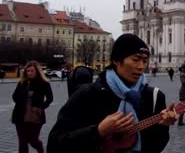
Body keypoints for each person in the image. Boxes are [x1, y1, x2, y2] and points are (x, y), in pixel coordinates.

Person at [47, 34, 176, 153]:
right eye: (136, 59)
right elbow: (55, 144)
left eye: (144, 60)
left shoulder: (154, 97)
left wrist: (162, 126)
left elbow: (155, 148)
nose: (141, 66)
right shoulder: (87, 94)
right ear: (116, 60)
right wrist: (98, 131)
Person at [12, 61, 53, 153]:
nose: (29, 73)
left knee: (32, 140)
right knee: (22, 142)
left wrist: (41, 108)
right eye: (27, 71)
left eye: (32, 71)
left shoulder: (44, 83)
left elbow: (50, 98)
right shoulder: (23, 82)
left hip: (36, 116)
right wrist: (22, 96)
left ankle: (40, 149)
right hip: (20, 115)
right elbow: (14, 97)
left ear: (37, 71)